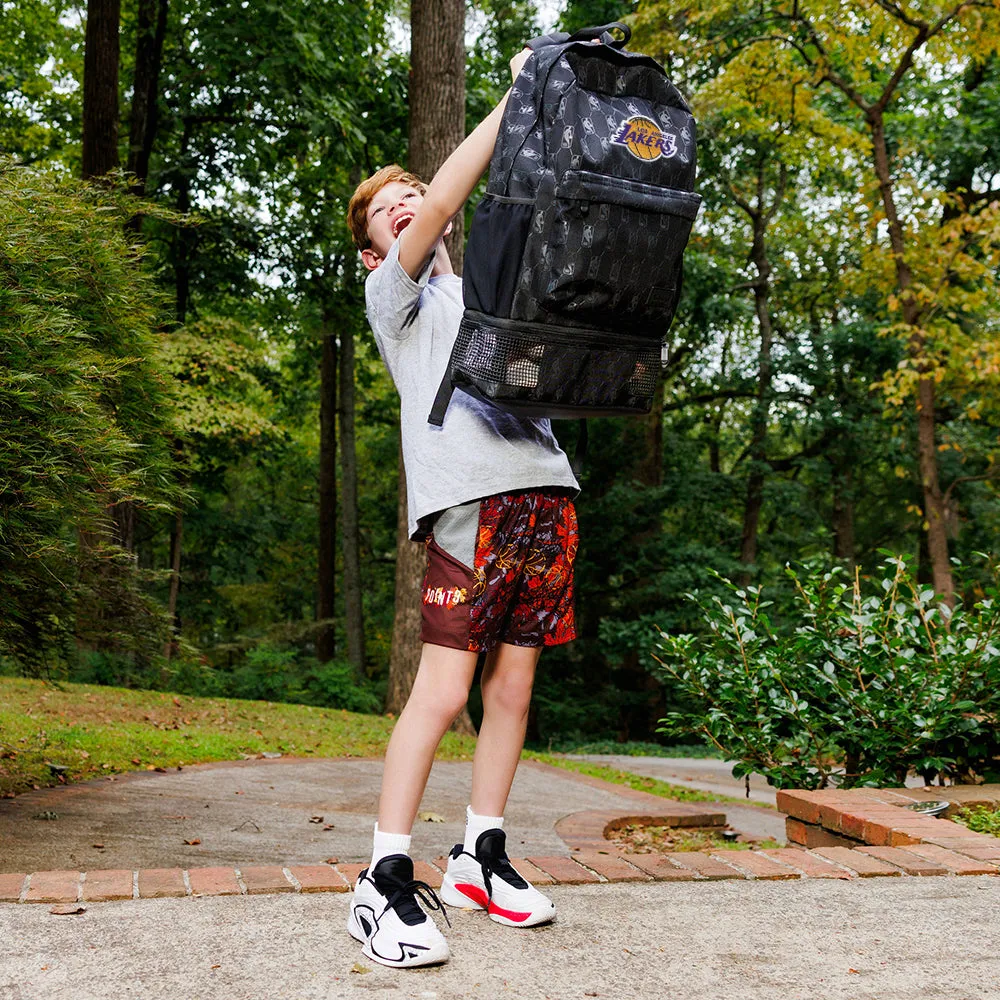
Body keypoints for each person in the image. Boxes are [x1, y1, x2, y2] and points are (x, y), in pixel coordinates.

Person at [343, 48, 580, 969]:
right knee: (442, 692)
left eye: (409, 188)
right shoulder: (393, 298)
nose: (407, 199)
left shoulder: (492, 292)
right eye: (386, 206)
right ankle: (383, 877)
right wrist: (515, 89)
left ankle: (480, 854)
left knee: (512, 691)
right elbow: (445, 200)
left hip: (548, 496)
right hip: (469, 507)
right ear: (375, 248)